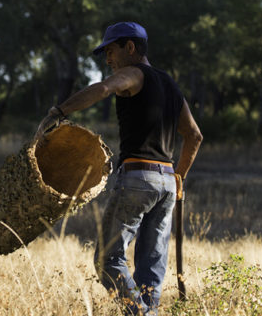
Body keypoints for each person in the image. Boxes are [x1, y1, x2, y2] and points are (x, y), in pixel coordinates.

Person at [36, 21, 203, 315]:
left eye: (111, 51)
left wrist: (58, 112)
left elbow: (102, 89)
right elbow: (194, 135)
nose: (108, 60)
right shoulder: (171, 85)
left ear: (131, 47)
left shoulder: (133, 74)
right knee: (151, 267)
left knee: (107, 260)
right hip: (165, 183)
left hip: (138, 178)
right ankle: (146, 310)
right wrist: (178, 178)